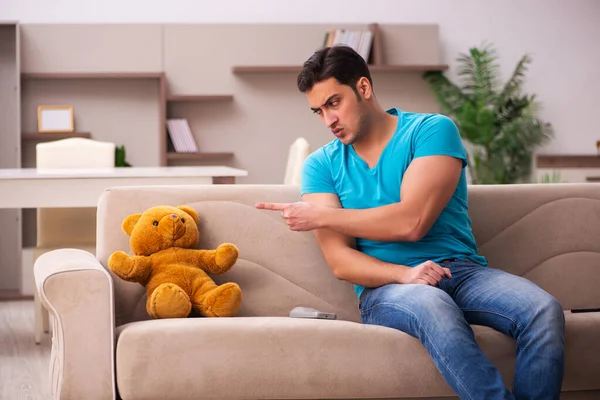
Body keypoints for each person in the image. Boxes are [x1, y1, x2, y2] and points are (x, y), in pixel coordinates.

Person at [255, 45, 565, 400]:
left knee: (543, 310)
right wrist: (404, 274)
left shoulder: (431, 131)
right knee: (433, 304)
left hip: (461, 273)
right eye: (318, 111)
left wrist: (322, 215)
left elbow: (412, 222)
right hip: (388, 289)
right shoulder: (320, 166)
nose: (328, 120)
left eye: (334, 102)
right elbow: (341, 262)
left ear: (364, 88)